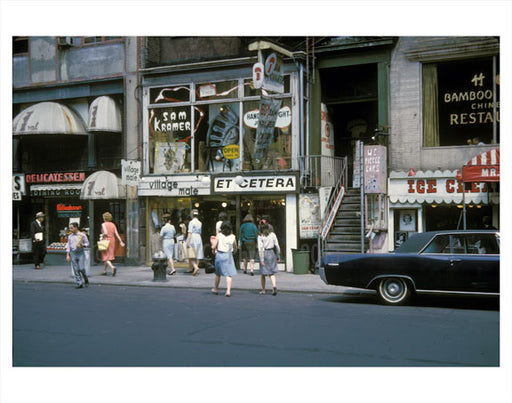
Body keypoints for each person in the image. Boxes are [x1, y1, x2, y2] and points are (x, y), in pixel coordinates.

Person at [211, 221, 237, 297]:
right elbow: (235, 247)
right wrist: (234, 251)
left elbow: (213, 246)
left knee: (218, 274)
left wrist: (213, 247)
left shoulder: (219, 235)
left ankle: (216, 289)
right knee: (228, 274)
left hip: (220, 254)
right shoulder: (233, 236)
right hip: (228, 255)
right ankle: (228, 291)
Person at [257, 222, 280, 296]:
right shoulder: (273, 234)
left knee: (263, 273)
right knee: (271, 273)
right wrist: (278, 256)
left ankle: (263, 290)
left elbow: (260, 248)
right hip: (272, 253)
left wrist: (262, 260)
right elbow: (277, 246)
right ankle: (274, 286)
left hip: (264, 253)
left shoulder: (260, 236)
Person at [100, 212, 125, 276]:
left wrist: (101, 234)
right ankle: (104, 271)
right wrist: (120, 241)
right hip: (112, 240)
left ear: (104, 218)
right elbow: (116, 234)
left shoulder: (103, 224)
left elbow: (105, 233)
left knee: (105, 256)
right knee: (108, 255)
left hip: (106, 240)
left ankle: (112, 267)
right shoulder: (113, 224)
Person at [66, 222, 90, 289]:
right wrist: (68, 255)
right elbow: (68, 246)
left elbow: (87, 243)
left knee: (81, 268)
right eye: (70, 228)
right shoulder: (70, 236)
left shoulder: (82, 235)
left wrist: (83, 245)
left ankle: (85, 278)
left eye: (72, 228)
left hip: (80, 252)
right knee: (75, 269)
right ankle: (79, 283)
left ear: (76, 227)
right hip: (73, 253)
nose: (70, 229)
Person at [186, 209, 203, 276]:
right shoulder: (200, 222)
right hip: (198, 237)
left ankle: (195, 267)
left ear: (192, 215)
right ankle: (196, 266)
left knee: (190, 253)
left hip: (193, 237)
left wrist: (188, 242)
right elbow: (200, 232)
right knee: (198, 254)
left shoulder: (191, 222)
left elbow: (190, 232)